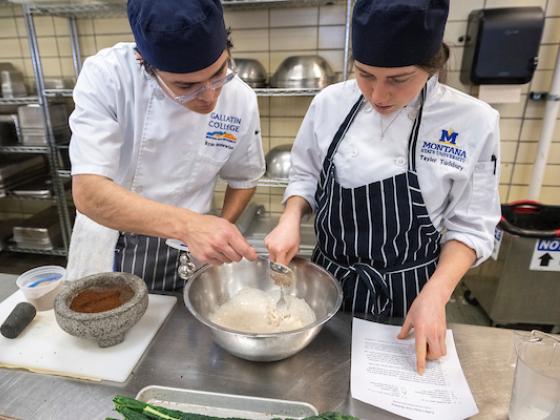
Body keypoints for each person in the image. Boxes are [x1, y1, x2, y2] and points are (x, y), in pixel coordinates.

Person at [265, 0, 500, 374]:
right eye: (364, 74)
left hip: (413, 298)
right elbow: (305, 175)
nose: (377, 94)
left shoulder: (473, 121)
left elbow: (472, 227)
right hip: (325, 288)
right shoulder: (329, 103)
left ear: (432, 66)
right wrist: (291, 217)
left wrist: (436, 295)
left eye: (398, 79)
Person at [66, 0, 265, 291]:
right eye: (186, 86)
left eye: (219, 72)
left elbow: (244, 178)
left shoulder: (241, 99)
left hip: (187, 251)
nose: (210, 96)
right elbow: (89, 194)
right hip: (109, 240)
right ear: (144, 64)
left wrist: (218, 228)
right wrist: (190, 225)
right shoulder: (107, 76)